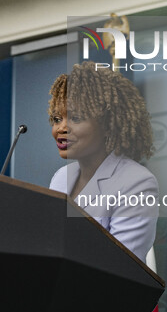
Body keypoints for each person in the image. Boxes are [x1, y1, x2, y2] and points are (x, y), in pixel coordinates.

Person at [48, 61, 159, 263]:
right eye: (57, 119)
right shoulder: (61, 178)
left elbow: (122, 267)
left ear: (107, 125)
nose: (61, 128)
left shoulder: (137, 182)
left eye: (76, 118)